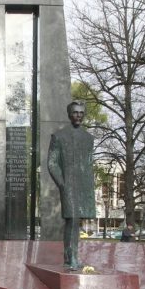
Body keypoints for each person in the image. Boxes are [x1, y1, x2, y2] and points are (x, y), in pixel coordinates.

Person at [47, 101, 96, 270]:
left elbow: (89, 162)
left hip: (84, 185)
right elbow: (52, 163)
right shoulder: (59, 136)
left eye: (81, 113)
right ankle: (71, 258)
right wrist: (61, 184)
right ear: (69, 114)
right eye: (75, 112)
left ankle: (73, 256)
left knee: (77, 220)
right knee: (72, 218)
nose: (79, 115)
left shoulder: (89, 138)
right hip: (68, 184)